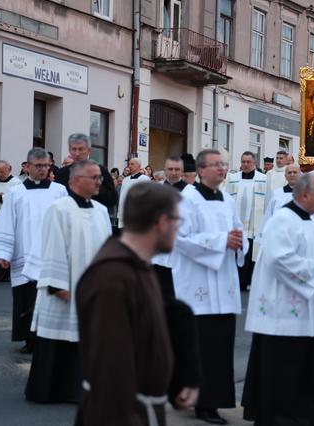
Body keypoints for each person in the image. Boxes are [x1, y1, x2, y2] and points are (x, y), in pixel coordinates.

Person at [75, 182, 198, 425]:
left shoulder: (138, 265)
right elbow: (111, 371)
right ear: (162, 222)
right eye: (177, 221)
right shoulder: (112, 279)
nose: (178, 229)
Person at [242, 173, 314, 426]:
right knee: (285, 370)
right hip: (283, 313)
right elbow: (279, 259)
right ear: (305, 195)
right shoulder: (282, 220)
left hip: (308, 314)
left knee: (312, 369)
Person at [23, 160, 111, 403]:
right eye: (93, 177)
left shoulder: (102, 211)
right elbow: (51, 246)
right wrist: (57, 284)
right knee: (59, 338)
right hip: (64, 286)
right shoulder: (59, 208)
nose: (98, 181)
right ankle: (51, 389)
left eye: (99, 177)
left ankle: (79, 388)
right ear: (74, 181)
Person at [172, 149, 247, 424]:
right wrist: (220, 241)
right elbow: (180, 238)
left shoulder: (227, 199)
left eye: (224, 165)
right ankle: (201, 403)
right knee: (200, 348)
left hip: (224, 286)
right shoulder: (186, 200)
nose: (222, 169)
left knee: (220, 348)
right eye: (216, 165)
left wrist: (239, 241)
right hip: (198, 288)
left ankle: (215, 400)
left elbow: (238, 230)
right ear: (201, 170)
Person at [0, 148, 68, 354]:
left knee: (51, 295)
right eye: (38, 165)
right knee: (27, 296)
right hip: (25, 250)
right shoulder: (17, 192)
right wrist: (4, 254)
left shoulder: (59, 191)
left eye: (46, 165)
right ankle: (30, 339)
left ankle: (51, 337)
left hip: (52, 252)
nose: (42, 169)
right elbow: (6, 222)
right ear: (28, 166)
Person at [226, 151, 267, 291]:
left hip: (253, 225)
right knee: (235, 251)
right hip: (236, 224)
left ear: (254, 163)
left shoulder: (263, 179)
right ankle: (235, 280)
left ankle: (247, 281)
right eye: (243, 161)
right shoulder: (232, 178)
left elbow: (267, 203)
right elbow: (226, 199)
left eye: (248, 162)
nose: (245, 164)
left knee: (250, 253)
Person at [154, 156, 188, 298]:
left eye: (177, 169)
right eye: (170, 169)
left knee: (179, 295)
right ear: (165, 170)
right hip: (159, 252)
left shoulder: (191, 192)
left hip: (181, 250)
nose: (173, 172)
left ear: (182, 171)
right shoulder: (155, 190)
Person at [54, 134, 117, 210]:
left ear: (89, 151)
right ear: (69, 150)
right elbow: (56, 196)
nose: (77, 153)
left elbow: (112, 199)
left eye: (81, 149)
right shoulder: (61, 173)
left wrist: (92, 187)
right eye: (74, 149)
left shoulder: (100, 171)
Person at [0, 160, 22, 281]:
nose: (0, 174)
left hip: (9, 216)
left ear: (9, 169)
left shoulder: (16, 182)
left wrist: (1, 197)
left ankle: (6, 273)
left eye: (2, 171)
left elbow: (17, 197)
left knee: (7, 242)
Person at [117, 157, 151, 229]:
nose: (129, 166)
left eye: (132, 164)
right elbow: (122, 197)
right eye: (129, 164)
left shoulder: (145, 179)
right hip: (125, 213)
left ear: (139, 166)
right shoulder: (125, 180)